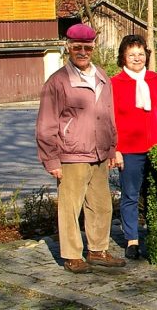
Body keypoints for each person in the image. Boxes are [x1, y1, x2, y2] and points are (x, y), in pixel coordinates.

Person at [35, 23, 126, 274]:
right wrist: (51, 160)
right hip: (71, 154)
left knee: (101, 204)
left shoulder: (102, 77)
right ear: (68, 47)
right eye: (77, 47)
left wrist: (111, 148)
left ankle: (97, 250)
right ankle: (72, 254)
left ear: (93, 47)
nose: (83, 52)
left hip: (99, 152)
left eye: (87, 47)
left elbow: (109, 116)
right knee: (70, 206)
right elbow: (46, 125)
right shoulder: (58, 82)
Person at [111, 35, 157, 260]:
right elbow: (111, 119)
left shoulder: (155, 80)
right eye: (132, 55)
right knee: (130, 194)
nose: (137, 58)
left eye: (140, 54)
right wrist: (115, 149)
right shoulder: (115, 83)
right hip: (129, 148)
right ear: (123, 58)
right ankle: (132, 239)